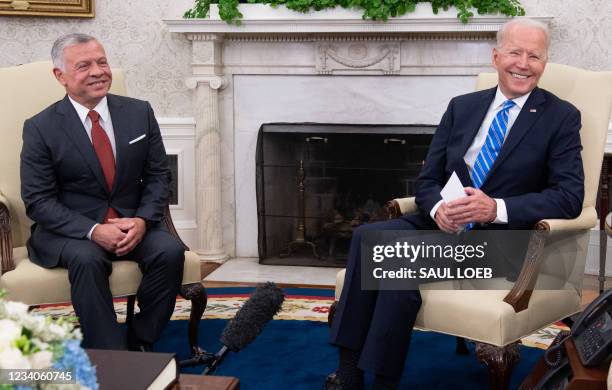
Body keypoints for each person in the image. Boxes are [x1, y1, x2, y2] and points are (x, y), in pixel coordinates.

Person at [326, 18, 584, 389]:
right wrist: (436, 210)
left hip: (500, 244)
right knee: (368, 236)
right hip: (441, 226)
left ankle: (363, 378)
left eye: (535, 56)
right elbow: (428, 180)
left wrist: (495, 208)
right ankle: (356, 372)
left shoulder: (560, 117)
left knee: (388, 253)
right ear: (496, 56)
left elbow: (569, 197)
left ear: (545, 63)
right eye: (514, 52)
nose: (523, 64)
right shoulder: (461, 107)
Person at [20, 33, 185, 351]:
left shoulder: (140, 112)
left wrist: (141, 221)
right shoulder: (41, 128)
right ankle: (112, 355)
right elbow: (38, 201)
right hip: (70, 231)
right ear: (61, 76)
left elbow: (158, 176)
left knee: (169, 251)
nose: (97, 71)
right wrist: (93, 230)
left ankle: (141, 341)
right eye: (84, 65)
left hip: (130, 222)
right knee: (87, 259)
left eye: (102, 62)